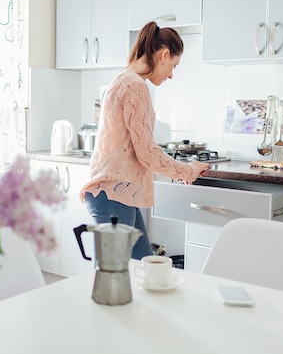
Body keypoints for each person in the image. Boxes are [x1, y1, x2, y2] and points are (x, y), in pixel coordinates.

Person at [80, 21, 212, 260]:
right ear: (164, 55)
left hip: (116, 195)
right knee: (113, 279)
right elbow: (147, 153)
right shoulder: (134, 86)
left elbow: (140, 147)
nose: (171, 74)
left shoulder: (125, 79)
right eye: (174, 65)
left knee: (143, 266)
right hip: (113, 195)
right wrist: (187, 171)